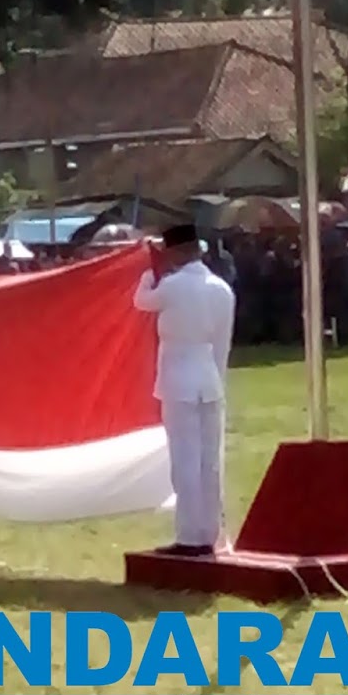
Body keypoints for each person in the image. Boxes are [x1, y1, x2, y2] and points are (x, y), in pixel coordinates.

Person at [134, 222, 236, 557]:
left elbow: (142, 301)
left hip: (179, 377)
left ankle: (190, 536)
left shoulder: (174, 286)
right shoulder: (221, 288)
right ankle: (211, 532)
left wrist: (148, 272)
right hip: (209, 376)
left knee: (185, 461)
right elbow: (222, 345)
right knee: (210, 461)